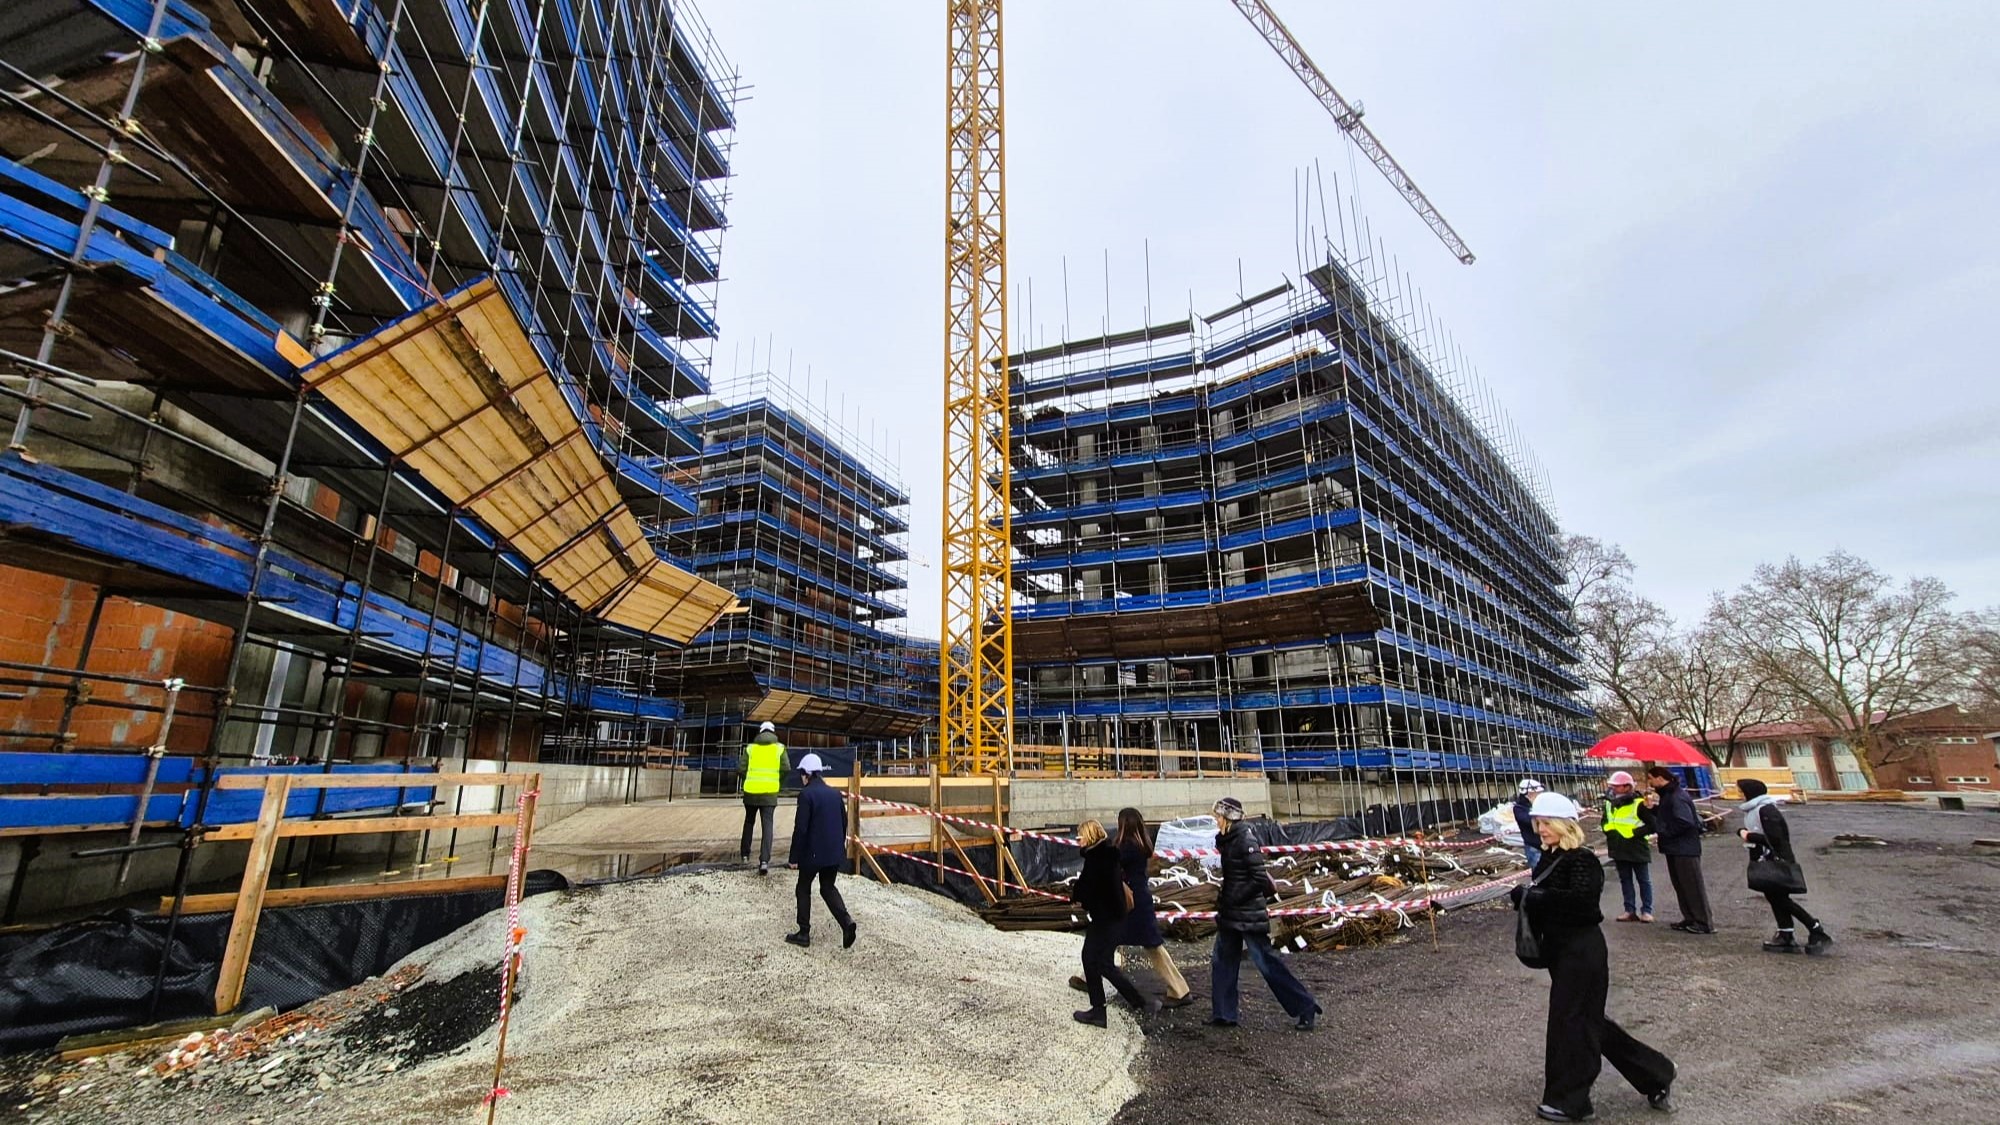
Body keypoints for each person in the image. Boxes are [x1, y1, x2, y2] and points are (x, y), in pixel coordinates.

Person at [1515, 792, 1676, 1121]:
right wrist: (1528, 900)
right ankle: (1656, 1071)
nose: (1540, 829)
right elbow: (1549, 902)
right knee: (1588, 1022)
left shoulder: (1582, 860)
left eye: (1546, 823)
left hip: (1582, 951)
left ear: (1564, 825)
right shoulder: (1550, 858)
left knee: (1570, 1023)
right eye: (1537, 822)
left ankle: (1572, 1101)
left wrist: (1535, 897)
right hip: (1561, 952)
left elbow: (1582, 905)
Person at [1207, 796, 1322, 1031]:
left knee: (1266, 963)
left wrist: (1234, 898)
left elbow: (1259, 879)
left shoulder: (1244, 839)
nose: (1215, 820)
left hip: (1247, 913)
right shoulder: (1229, 840)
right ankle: (1223, 1013)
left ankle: (1305, 1006)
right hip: (1232, 913)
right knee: (1222, 961)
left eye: (1218, 816)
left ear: (1228, 818)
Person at [1066, 808, 1195, 1007]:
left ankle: (1179, 990)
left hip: (1131, 903)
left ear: (1123, 824)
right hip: (1139, 901)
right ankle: (1179, 989)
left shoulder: (1126, 847)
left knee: (1139, 944)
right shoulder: (1141, 844)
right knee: (1131, 942)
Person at [1069, 819, 1156, 1026]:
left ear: (1089, 836)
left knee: (1092, 959)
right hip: (1112, 918)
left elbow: (1092, 891)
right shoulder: (1107, 855)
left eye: (1080, 836)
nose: (1077, 840)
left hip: (1105, 919)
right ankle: (1138, 1003)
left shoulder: (1097, 859)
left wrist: (1078, 894)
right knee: (1102, 963)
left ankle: (1104, 1010)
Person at [1737, 778, 1833, 955]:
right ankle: (1786, 934)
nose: (1739, 794)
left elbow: (1775, 839)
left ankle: (1815, 927)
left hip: (1776, 859)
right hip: (1766, 859)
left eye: (1741, 791)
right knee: (1775, 897)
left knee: (1780, 898)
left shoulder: (1765, 810)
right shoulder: (1756, 809)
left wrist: (1748, 835)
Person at [784, 753, 856, 950]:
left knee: (803, 887)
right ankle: (846, 922)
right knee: (827, 887)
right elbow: (843, 823)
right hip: (832, 853)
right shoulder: (834, 794)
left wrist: (794, 858)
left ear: (807, 774)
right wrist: (838, 850)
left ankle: (804, 933)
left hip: (812, 854)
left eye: (801, 774)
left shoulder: (806, 795)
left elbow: (801, 829)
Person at [1645, 766, 1712, 934]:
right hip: (1675, 848)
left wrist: (1664, 832)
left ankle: (1702, 922)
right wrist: (1653, 809)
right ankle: (1690, 917)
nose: (1650, 783)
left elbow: (1684, 821)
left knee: (1692, 885)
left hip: (1684, 848)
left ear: (1660, 778)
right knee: (1681, 885)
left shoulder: (1677, 796)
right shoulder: (1669, 795)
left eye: (1651, 778)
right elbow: (1669, 815)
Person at [1601, 771, 1656, 923]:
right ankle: (1629, 910)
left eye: (1616, 786)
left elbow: (1652, 825)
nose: (1613, 789)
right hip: (1618, 847)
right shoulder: (1609, 803)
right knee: (1625, 881)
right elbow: (1605, 821)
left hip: (1636, 847)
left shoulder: (1639, 804)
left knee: (1643, 880)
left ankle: (1646, 911)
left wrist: (1633, 833)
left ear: (1627, 787)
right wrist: (1609, 831)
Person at [738, 721, 789, 875]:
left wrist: (749, 779)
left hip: (751, 791)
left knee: (749, 822)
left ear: (760, 732)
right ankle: (764, 861)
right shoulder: (779, 748)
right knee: (767, 826)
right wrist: (777, 782)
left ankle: (745, 854)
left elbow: (740, 768)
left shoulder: (751, 748)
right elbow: (786, 768)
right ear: (773, 732)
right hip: (769, 793)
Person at [1515, 779, 1547, 867]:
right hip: (1533, 847)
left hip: (1546, 844)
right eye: (1537, 793)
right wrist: (1535, 806)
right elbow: (1531, 821)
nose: (1539, 795)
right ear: (1528, 794)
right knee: (1539, 873)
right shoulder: (1519, 809)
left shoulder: (1541, 804)